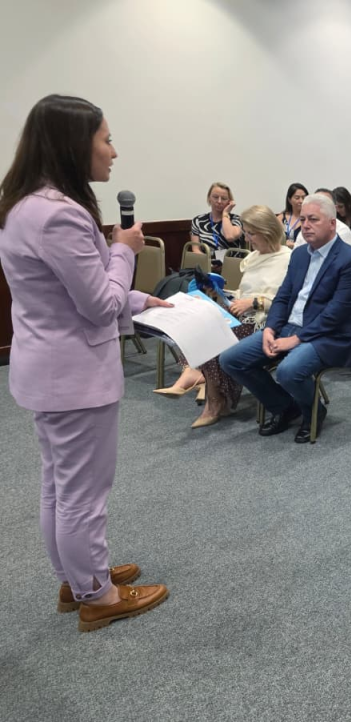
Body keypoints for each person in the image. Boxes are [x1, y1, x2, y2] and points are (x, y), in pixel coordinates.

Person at [0, 94, 171, 631]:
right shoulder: (60, 215)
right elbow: (97, 303)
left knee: (60, 484)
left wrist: (141, 299)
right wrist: (125, 250)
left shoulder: (27, 204)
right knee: (83, 493)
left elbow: (72, 289)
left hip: (48, 369)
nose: (113, 152)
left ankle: (78, 578)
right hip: (74, 377)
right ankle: (97, 596)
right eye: (106, 139)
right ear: (75, 145)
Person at [220, 193, 351, 443]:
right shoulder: (299, 255)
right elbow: (283, 297)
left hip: (329, 336)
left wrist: (297, 339)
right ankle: (285, 407)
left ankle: (314, 411)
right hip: (289, 327)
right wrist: (270, 329)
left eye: (314, 219)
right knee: (231, 359)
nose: (306, 225)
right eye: (303, 219)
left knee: (288, 371)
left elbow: (336, 313)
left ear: (332, 224)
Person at [191, 205, 293, 429]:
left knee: (219, 338)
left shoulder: (288, 259)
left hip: (268, 322)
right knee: (202, 327)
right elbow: (244, 292)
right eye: (245, 233)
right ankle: (212, 392)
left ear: (267, 232)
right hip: (245, 315)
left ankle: (214, 400)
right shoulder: (254, 257)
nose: (247, 239)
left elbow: (287, 302)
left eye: (251, 233)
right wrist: (222, 294)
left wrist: (254, 302)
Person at [190, 182, 243, 250]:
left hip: (231, 257)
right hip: (205, 257)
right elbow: (196, 250)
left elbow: (230, 236)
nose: (219, 201)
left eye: (224, 198)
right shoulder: (198, 220)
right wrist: (207, 258)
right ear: (209, 198)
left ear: (229, 202)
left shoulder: (237, 219)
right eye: (215, 197)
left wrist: (225, 213)